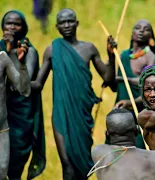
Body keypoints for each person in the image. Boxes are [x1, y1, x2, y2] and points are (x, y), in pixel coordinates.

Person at [31, 8, 116, 179]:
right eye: (62, 22)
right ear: (56, 26)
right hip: (61, 114)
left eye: (70, 21)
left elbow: (108, 78)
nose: (67, 25)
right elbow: (38, 84)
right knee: (68, 164)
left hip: (83, 116)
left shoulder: (89, 49)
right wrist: (13, 75)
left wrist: (111, 56)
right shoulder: (52, 50)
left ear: (77, 23)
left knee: (82, 165)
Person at [0, 10, 46, 180]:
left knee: (14, 165)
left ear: (24, 28)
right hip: (2, 112)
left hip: (20, 116)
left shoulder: (28, 51)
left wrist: (12, 52)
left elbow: (21, 85)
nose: (12, 27)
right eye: (8, 23)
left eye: (16, 24)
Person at [110, 19, 155, 149]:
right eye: (138, 28)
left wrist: (123, 79)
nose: (141, 31)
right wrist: (110, 55)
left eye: (146, 29)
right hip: (121, 111)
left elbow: (148, 85)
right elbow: (114, 85)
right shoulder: (124, 55)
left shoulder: (150, 57)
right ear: (132, 32)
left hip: (140, 112)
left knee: (138, 146)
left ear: (151, 36)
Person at [0, 36, 30, 179]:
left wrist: (22, 64)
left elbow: (24, 90)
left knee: (2, 172)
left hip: (2, 129)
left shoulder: (2, 58)